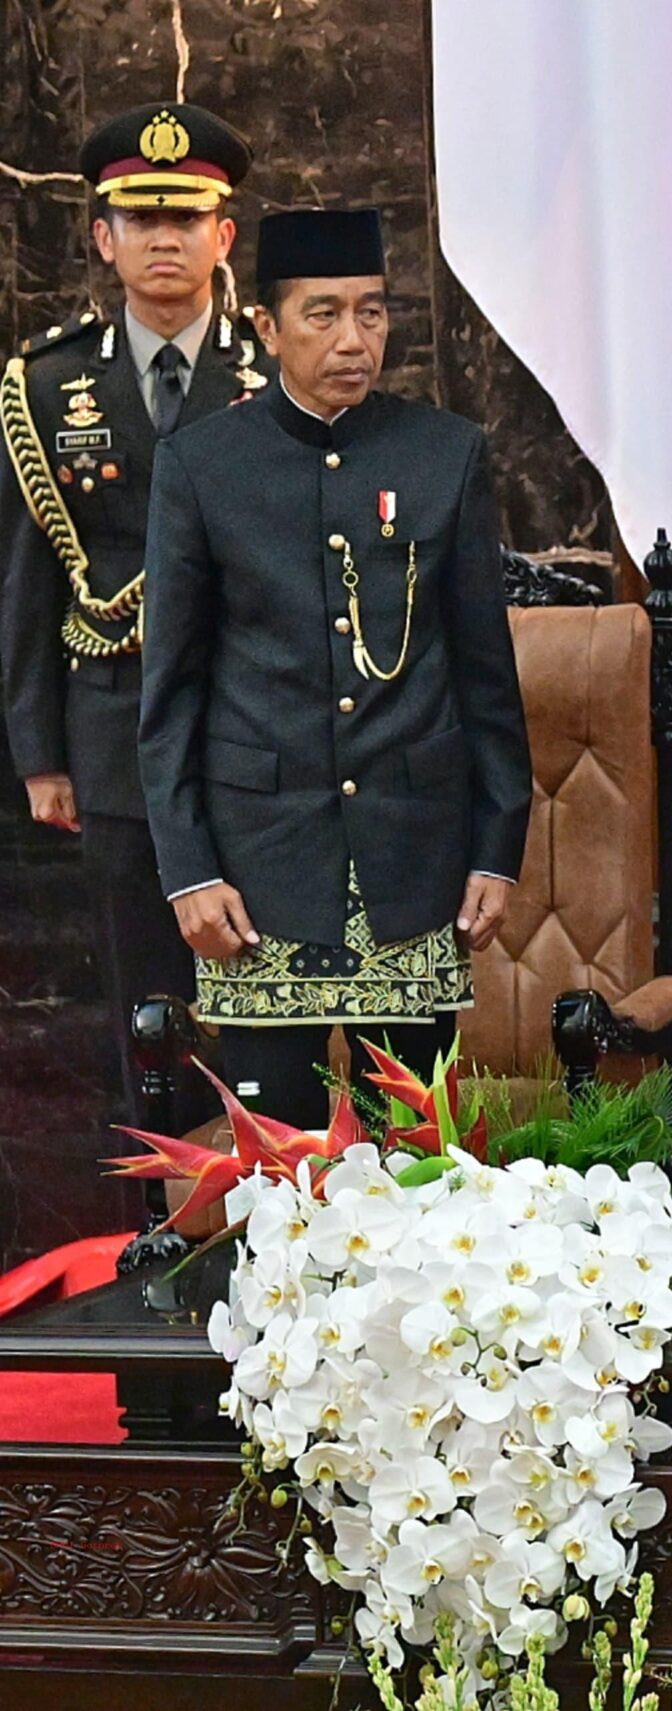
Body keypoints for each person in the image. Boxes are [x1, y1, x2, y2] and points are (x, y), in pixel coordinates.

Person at [137, 207, 531, 1130]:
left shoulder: (447, 455)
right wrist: (189, 870)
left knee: (417, 1159)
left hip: (414, 853)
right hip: (260, 867)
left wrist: (495, 848)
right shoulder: (201, 465)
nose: (355, 340)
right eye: (323, 315)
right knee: (281, 1170)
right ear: (268, 328)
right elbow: (171, 695)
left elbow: (485, 675)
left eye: (373, 312)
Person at [1, 102, 271, 1150]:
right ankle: (153, 1226)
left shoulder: (275, 373)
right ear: (102, 237)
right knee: (139, 999)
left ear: (224, 237)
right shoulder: (47, 384)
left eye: (189, 218)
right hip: (110, 733)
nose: (166, 238)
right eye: (141, 219)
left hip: (254, 731)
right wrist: (39, 756)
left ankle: (266, 1210)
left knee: (256, 989)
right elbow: (25, 584)